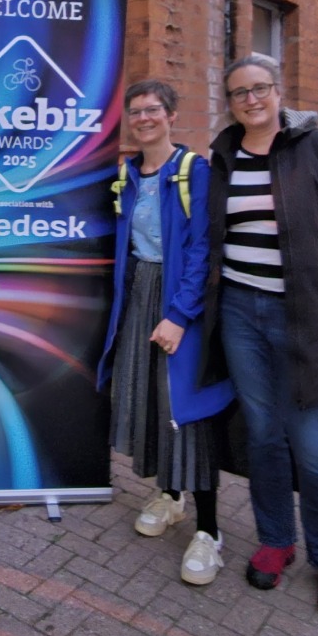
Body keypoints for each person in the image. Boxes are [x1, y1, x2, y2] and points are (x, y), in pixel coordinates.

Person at [204, 52, 318, 620]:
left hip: (303, 316)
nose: (251, 100)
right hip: (240, 314)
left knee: (314, 447)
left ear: (279, 92)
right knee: (263, 437)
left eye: (260, 89)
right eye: (239, 93)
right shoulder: (223, 155)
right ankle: (276, 540)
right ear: (230, 102)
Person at [98, 80, 235, 585]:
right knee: (151, 402)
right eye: (135, 112)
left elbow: (203, 248)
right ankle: (171, 497)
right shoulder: (129, 174)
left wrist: (179, 315)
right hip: (139, 297)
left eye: (153, 109)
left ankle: (211, 531)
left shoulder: (194, 171)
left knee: (186, 411)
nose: (143, 118)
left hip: (179, 302)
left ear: (172, 114)